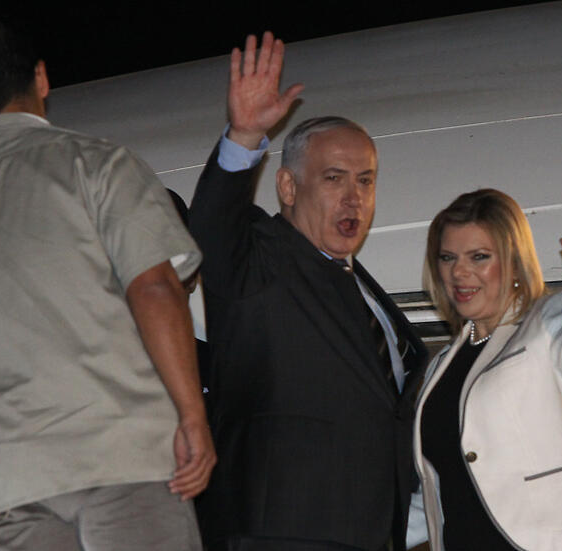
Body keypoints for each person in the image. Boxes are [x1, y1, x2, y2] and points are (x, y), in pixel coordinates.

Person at [0, 21, 214, 551]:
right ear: (40, 78)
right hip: (122, 455)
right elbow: (154, 288)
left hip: (10, 476)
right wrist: (192, 415)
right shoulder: (95, 162)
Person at [189, 32, 428, 551]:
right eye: (334, 178)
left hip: (365, 531)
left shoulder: (358, 285)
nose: (354, 198)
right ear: (289, 188)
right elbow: (211, 228)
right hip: (284, 527)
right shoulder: (263, 260)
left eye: (365, 181)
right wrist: (244, 134)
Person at [410, 189, 562, 551]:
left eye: (479, 257)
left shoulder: (547, 320)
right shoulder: (440, 366)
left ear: (513, 262)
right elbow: (439, 487)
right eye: (447, 257)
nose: (459, 271)